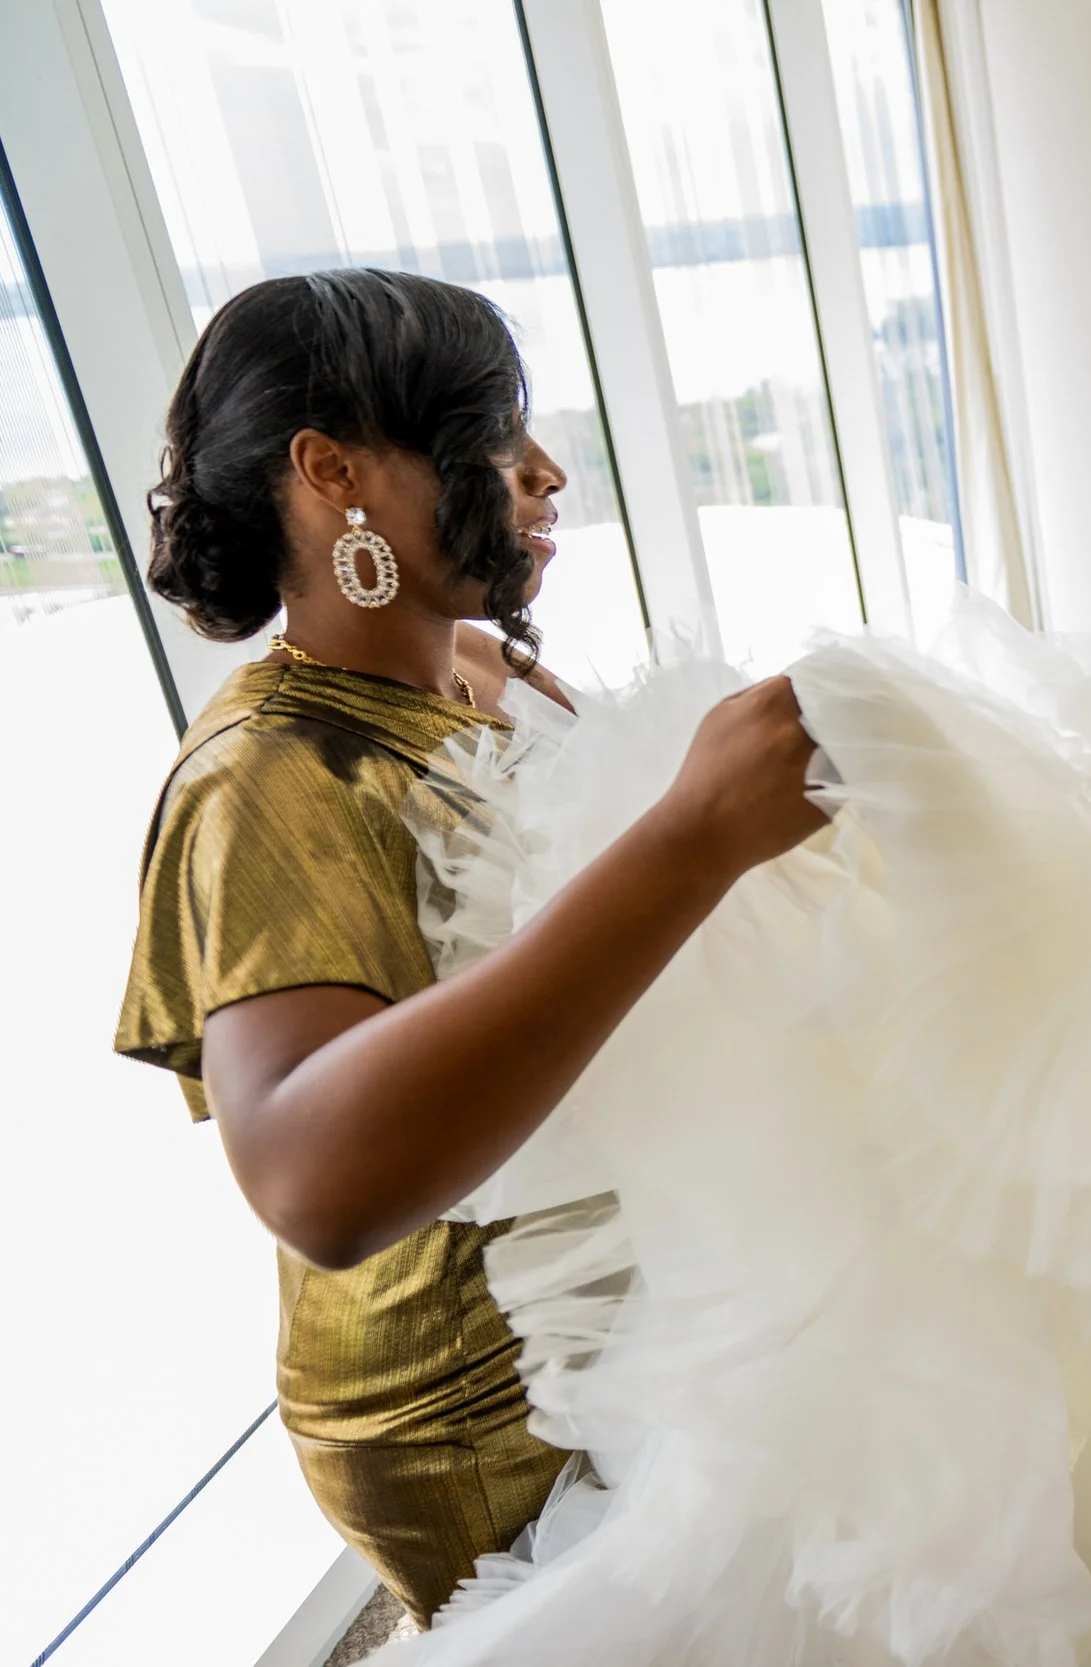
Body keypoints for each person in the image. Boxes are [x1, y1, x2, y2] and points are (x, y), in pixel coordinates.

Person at [113, 269, 823, 1624]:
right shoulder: (267, 777)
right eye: (497, 433)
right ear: (333, 471)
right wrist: (689, 839)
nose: (544, 471)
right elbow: (313, 1181)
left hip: (622, 1265)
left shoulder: (479, 671)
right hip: (477, 1385)